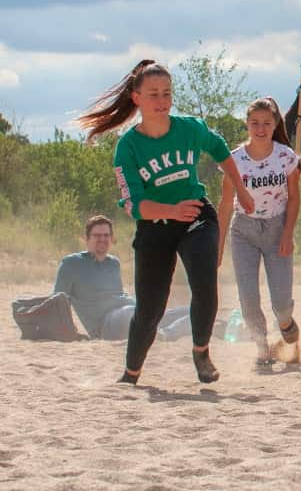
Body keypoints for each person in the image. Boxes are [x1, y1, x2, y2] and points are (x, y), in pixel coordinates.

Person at [78, 60, 255, 385]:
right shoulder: (128, 147)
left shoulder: (188, 128)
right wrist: (171, 211)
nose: (162, 101)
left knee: (204, 281)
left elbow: (219, 149)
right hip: (155, 226)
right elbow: (134, 205)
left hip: (195, 217)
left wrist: (241, 190)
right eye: (153, 94)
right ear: (136, 98)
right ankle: (131, 374)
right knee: (149, 309)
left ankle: (201, 352)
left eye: (167, 93)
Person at [218, 97, 301, 367]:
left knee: (281, 303)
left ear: (275, 124)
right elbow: (225, 204)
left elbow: (294, 198)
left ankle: (287, 324)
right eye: (255, 123)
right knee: (249, 298)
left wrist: (288, 234)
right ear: (247, 124)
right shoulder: (234, 159)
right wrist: (218, 247)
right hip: (244, 231)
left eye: (267, 123)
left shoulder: (286, 157)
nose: (261, 128)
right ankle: (262, 348)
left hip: (277, 228)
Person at [53, 215, 191, 341]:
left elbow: (118, 296)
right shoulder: (71, 263)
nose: (102, 239)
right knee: (130, 313)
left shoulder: (114, 263)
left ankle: (167, 334)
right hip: (106, 324)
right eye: (97, 235)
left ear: (111, 239)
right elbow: (57, 302)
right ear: (87, 238)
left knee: (192, 310)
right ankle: (161, 333)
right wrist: (72, 333)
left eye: (106, 235)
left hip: (131, 311)